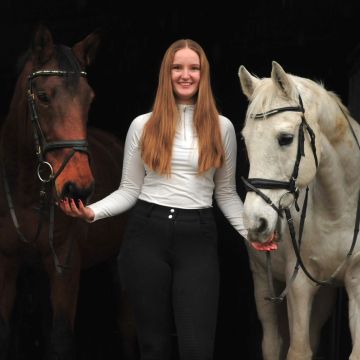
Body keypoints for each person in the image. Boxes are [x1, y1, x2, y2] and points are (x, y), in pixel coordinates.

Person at [59, 38, 248, 360]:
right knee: (153, 346)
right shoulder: (142, 125)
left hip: (198, 236)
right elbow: (129, 190)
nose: (185, 75)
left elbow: (227, 194)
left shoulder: (222, 127)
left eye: (193, 68)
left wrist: (252, 234)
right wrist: (92, 212)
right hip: (147, 234)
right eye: (177, 67)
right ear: (167, 73)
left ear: (204, 74)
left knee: (197, 346)